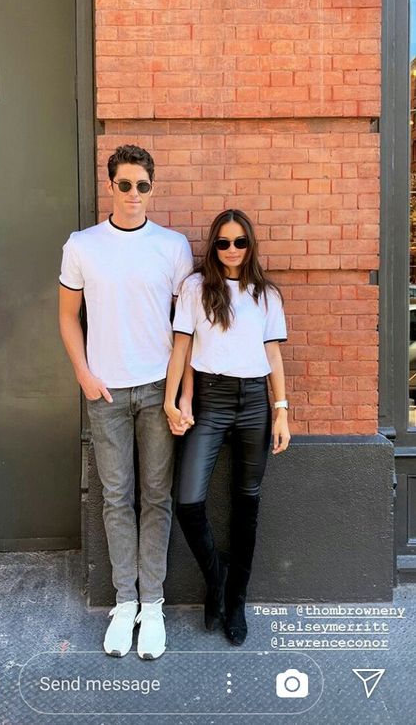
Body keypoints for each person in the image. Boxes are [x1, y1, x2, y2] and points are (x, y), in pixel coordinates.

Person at [59, 145, 193, 659]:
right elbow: (68, 316)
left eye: (142, 185)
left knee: (156, 496)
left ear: (151, 189)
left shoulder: (173, 246)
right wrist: (84, 375)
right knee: (116, 498)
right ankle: (125, 603)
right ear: (109, 186)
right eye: (124, 184)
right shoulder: (82, 245)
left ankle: (153, 605)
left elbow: (186, 328)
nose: (133, 194)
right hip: (107, 393)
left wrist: (181, 394)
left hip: (158, 390)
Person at [164, 208, 291, 646]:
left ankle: (235, 600)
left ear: (250, 245)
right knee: (188, 502)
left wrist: (282, 411)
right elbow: (181, 348)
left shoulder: (266, 295)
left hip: (255, 401)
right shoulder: (196, 289)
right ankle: (216, 580)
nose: (232, 250)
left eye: (240, 242)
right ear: (213, 246)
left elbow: (273, 356)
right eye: (223, 242)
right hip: (211, 401)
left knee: (246, 504)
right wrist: (176, 399)